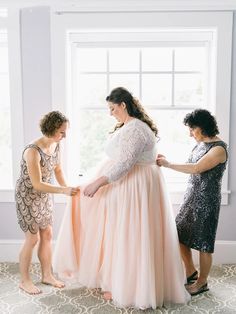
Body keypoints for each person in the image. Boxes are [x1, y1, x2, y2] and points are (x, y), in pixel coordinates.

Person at [53, 87, 190, 309]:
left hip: (133, 187)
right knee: (121, 233)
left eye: (112, 108)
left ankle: (132, 287)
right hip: (128, 185)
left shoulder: (136, 128)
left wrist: (98, 183)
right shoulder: (130, 126)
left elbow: (126, 163)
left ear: (123, 105)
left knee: (131, 235)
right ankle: (117, 280)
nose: (110, 113)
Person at [157, 108, 228, 296]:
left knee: (204, 243)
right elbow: (191, 165)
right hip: (191, 197)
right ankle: (190, 272)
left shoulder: (219, 148)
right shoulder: (200, 144)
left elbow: (196, 168)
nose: (190, 133)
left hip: (207, 201)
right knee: (178, 233)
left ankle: (202, 282)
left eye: (192, 129)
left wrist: (168, 164)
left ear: (203, 127)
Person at [15, 111, 79, 295]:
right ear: (50, 130)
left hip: (44, 196)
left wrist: (68, 189)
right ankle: (24, 281)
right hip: (27, 196)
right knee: (32, 238)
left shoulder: (57, 145)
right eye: (62, 132)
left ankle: (47, 275)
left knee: (48, 235)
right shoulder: (32, 151)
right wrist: (62, 191)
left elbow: (58, 170)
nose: (65, 136)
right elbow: (36, 184)